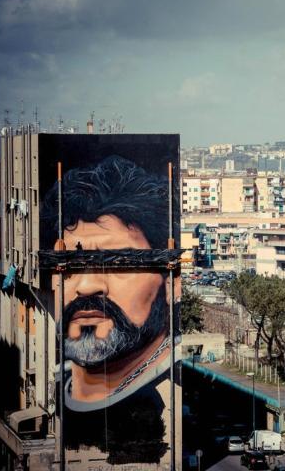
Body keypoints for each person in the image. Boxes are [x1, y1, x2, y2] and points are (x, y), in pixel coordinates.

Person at [42, 155, 184, 467]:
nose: (87, 285)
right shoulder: (51, 386)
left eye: (119, 263)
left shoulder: (174, 399)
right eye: (70, 266)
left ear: (172, 282)